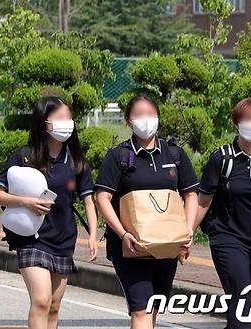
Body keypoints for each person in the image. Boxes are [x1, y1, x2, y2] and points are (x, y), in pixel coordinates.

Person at [0, 96, 98, 329]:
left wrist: (92, 235)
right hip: (31, 239)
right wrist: (25, 202)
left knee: (53, 306)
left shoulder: (76, 161)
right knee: (41, 301)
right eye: (60, 118)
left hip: (63, 238)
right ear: (44, 122)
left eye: (69, 118)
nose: (67, 123)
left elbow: (88, 200)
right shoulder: (24, 156)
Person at [95, 94, 199, 329]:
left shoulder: (174, 154)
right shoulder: (119, 156)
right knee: (141, 309)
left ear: (159, 117)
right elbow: (103, 197)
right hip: (130, 246)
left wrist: (188, 230)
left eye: (150, 114)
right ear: (128, 121)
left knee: (153, 308)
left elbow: (191, 193)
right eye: (139, 115)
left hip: (167, 245)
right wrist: (123, 233)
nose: (146, 120)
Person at [190, 98, 251, 329]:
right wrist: (187, 234)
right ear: (237, 123)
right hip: (227, 237)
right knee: (242, 296)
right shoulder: (222, 159)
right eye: (247, 119)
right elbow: (203, 200)